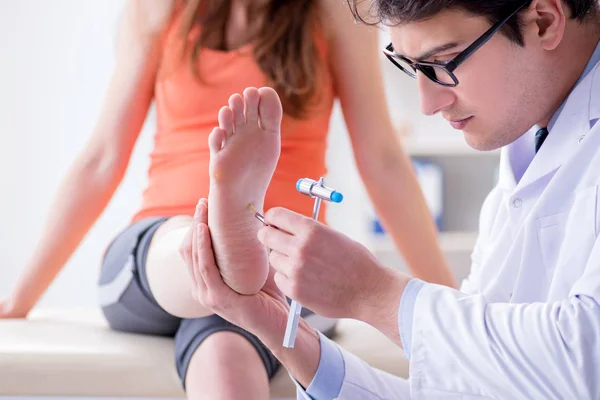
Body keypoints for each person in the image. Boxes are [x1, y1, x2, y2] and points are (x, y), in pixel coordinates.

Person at [0, 0, 455, 399]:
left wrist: (447, 307)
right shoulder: (161, 8)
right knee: (181, 243)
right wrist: (19, 302)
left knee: (225, 349)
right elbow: (102, 160)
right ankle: (226, 247)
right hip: (170, 252)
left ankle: (232, 251)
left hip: (285, 271)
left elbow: (383, 161)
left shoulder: (333, 10)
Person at [184, 0, 600, 398]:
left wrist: (374, 293)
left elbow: (587, 365)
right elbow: (475, 386)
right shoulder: (528, 146)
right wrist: (276, 329)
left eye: (442, 63)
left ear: (544, 21)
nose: (427, 103)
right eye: (412, 68)